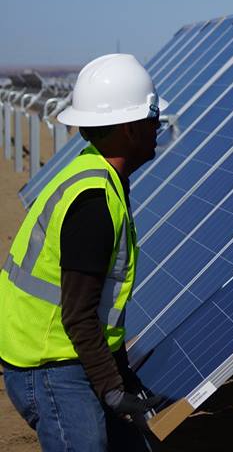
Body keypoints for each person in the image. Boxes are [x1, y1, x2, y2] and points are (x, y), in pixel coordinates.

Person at [0, 54, 166, 451]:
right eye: (152, 119)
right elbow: (78, 313)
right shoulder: (92, 201)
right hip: (49, 365)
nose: (158, 128)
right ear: (129, 128)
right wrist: (110, 389)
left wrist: (121, 374)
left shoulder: (98, 175)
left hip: (68, 353)